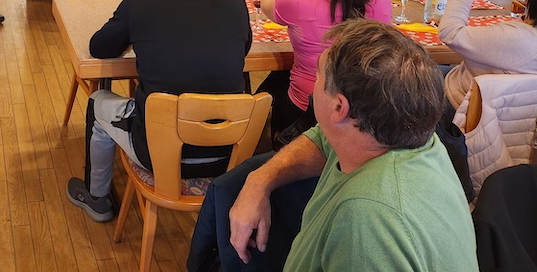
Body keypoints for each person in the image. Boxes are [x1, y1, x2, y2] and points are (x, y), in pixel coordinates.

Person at [188, 19, 478, 271]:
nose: (314, 82)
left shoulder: (366, 221)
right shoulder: (412, 141)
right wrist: (259, 180)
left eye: (318, 74)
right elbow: (322, 139)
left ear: (339, 107)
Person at [65, 0, 251, 222]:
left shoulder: (141, 2)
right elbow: (243, 49)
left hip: (158, 153)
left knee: (97, 101)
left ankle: (96, 197)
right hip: (227, 153)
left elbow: (100, 48)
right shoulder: (235, 3)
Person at [259, 0, 392, 144]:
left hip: (307, 107)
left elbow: (267, 1)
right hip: (361, 109)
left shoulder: (298, 1)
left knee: (270, 86)